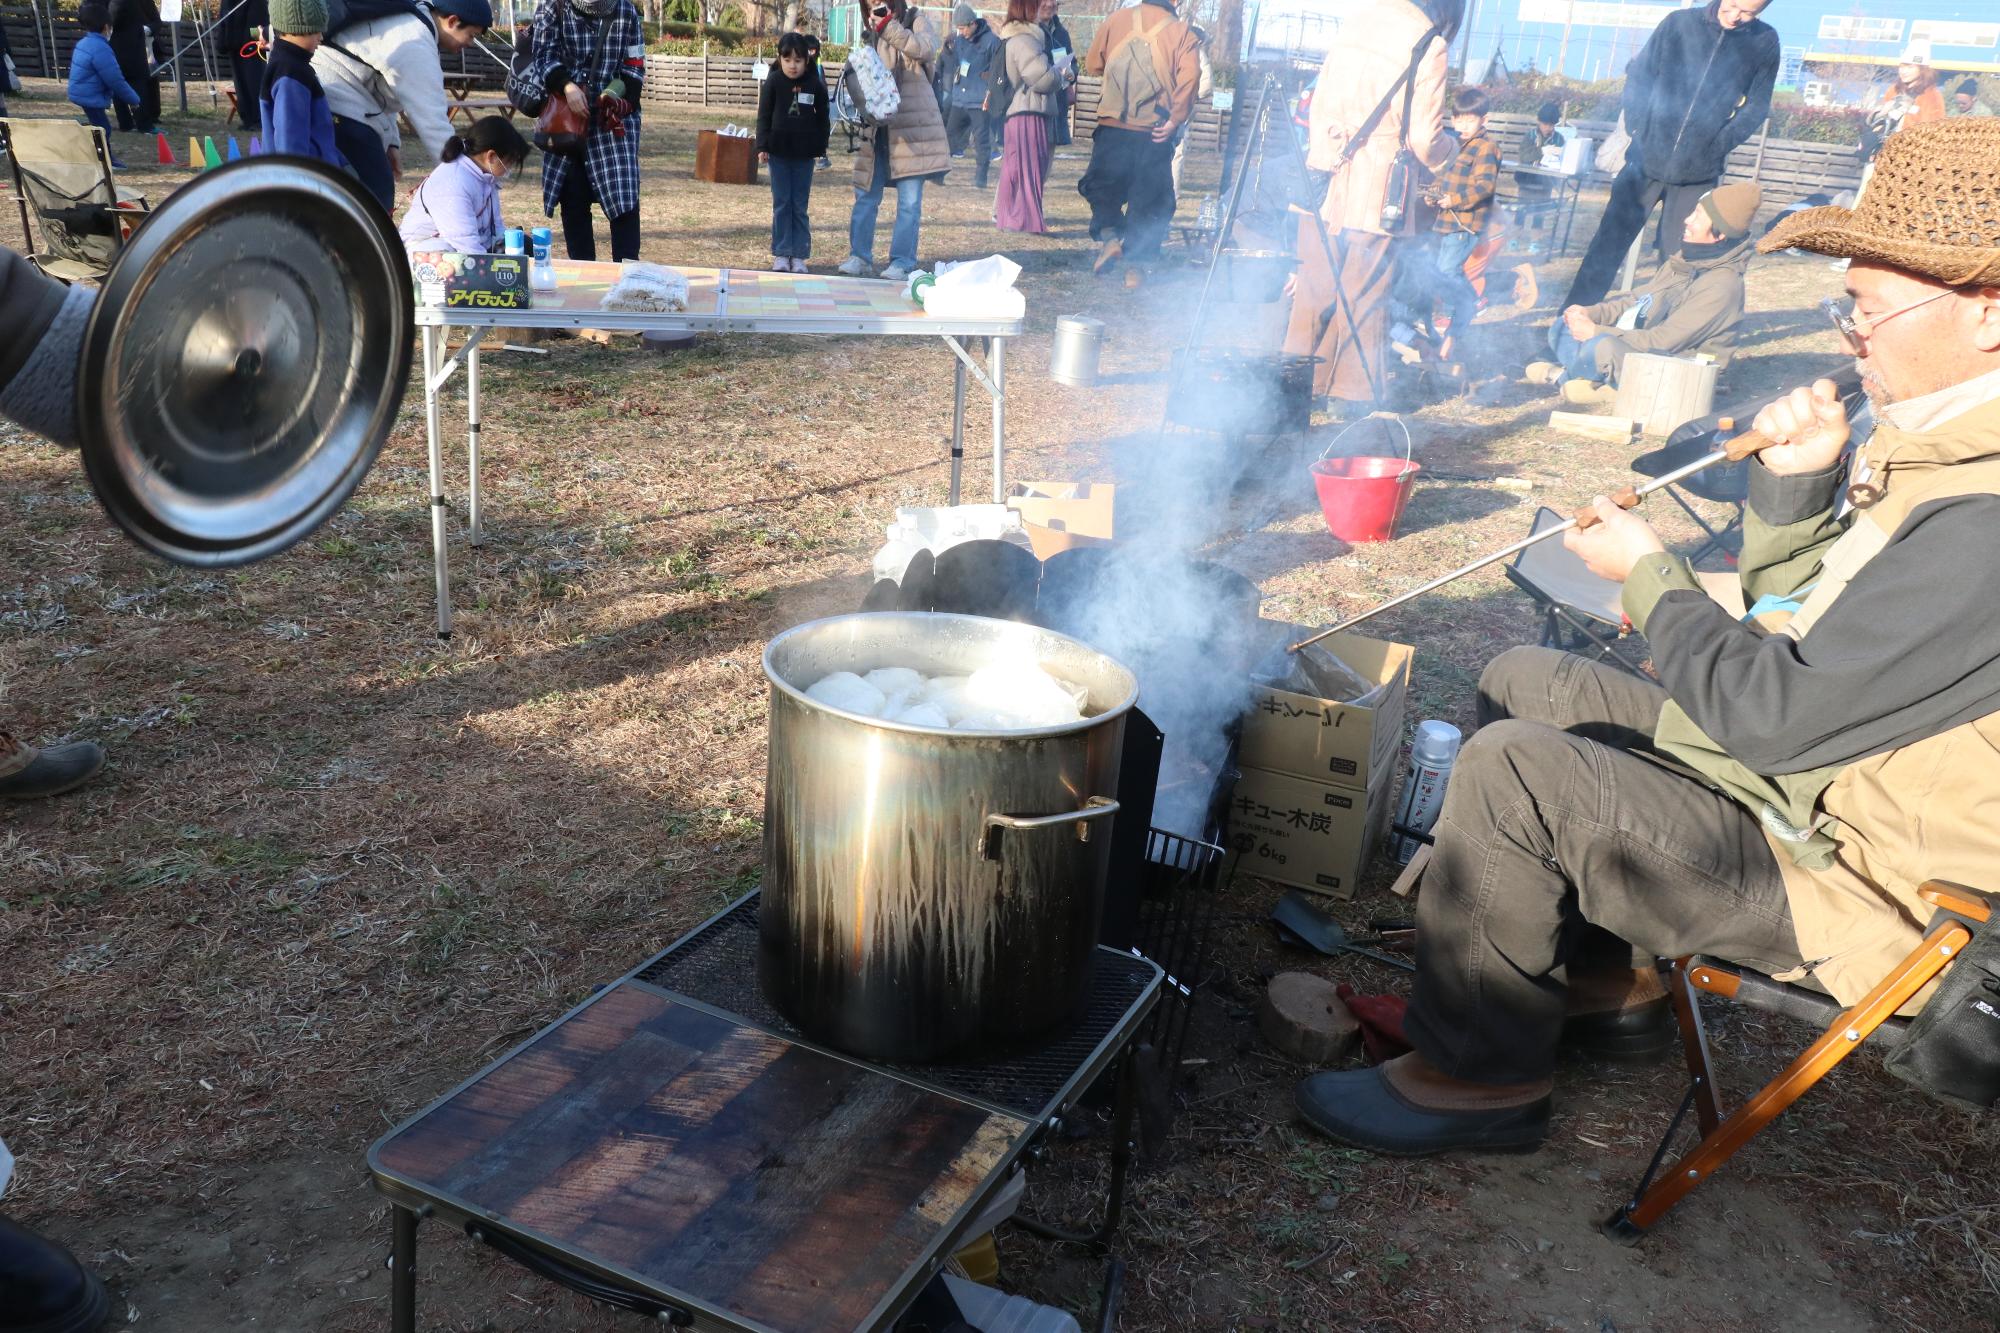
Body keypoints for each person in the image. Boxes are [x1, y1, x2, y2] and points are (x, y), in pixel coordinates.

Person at [1291, 117, 2000, 1158]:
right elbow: (1803, 625)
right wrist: (1800, 483)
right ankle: (1603, 986)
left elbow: (1774, 713)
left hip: (1860, 875)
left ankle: (1476, 1077)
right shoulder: (1943, 446)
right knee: (1526, 677)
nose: (1848, 334)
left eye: (1864, 308)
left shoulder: (1984, 512)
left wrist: (1650, 572)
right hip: (1807, 787)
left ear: (1985, 311)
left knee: (1515, 773)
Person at [1282, 0, 1452, 410]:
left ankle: (1289, 389)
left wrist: (1326, 150)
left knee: (1312, 291)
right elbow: (1424, 139)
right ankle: (1352, 395)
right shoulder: (1428, 42)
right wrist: (1451, 152)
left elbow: (1317, 103)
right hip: (1376, 192)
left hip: (1322, 178)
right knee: (1364, 294)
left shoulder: (1356, 21)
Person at [1560, 0, 1778, 311]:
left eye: (1748, 13)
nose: (1735, 17)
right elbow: (1640, 75)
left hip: (1698, 174)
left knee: (1680, 260)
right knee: (1606, 248)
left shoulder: (1764, 41)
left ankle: (1657, 331)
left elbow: (1757, 106)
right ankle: (1569, 324)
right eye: (1732, 5)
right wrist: (1638, 127)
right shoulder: (1678, 24)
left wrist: (1718, 145)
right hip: (1643, 162)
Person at [1529, 182, 1761, 407]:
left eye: (1698, 216)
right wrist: (1591, 313)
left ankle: (1567, 378)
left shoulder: (1721, 287)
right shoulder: (1687, 258)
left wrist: (1595, 331)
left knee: (1602, 346)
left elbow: (1664, 341)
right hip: (1646, 347)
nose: (1687, 220)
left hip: (1682, 369)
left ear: (1720, 233)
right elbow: (1638, 299)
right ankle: (1597, 380)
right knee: (1562, 327)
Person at [313, 0, 492, 212]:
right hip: (337, 97)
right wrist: (464, 178)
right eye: (471, 35)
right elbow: (434, 124)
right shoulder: (416, 43)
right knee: (374, 191)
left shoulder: (412, 22)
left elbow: (385, 85)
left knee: (372, 188)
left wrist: (392, 142)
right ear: (452, 21)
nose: (471, 43)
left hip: (341, 94)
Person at [1078, 0, 1201, 289]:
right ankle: (1135, 269)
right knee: (1150, 201)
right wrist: (1176, 118)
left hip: (1112, 126)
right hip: (1154, 131)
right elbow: (1192, 76)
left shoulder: (1116, 19)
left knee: (1103, 188)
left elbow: (1093, 64)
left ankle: (1110, 239)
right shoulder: (1182, 32)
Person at [519, 0, 645, 263]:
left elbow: (634, 63)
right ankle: (584, 271)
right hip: (565, 118)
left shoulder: (626, 10)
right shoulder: (553, 6)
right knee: (573, 199)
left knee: (624, 201)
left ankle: (628, 273)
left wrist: (621, 101)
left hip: (612, 121)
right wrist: (566, 86)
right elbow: (543, 55)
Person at [838, 0, 947, 283]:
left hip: (912, 129)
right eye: (870, 5)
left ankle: (902, 262)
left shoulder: (915, 20)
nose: (876, 7)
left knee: (909, 202)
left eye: (880, 2)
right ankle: (859, 256)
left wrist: (889, 26)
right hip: (878, 129)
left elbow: (925, 49)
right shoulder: (869, 35)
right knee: (865, 195)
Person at [1416, 85, 1500, 360]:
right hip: (1446, 224)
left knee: (1445, 272)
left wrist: (1454, 200)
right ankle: (1462, 308)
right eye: (1458, 119)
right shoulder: (1453, 146)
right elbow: (1443, 180)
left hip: (1466, 224)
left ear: (1484, 120)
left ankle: (1468, 304)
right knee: (1436, 272)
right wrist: (1433, 196)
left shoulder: (1486, 148)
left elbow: (1484, 187)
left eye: (1469, 119)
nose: (1462, 125)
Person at [400, 114, 527, 254]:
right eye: (509, 162)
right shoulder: (453, 183)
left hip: (465, 248)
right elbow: (465, 243)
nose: (509, 168)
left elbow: (496, 228)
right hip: (428, 252)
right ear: (491, 157)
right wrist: (491, 263)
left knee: (524, 245)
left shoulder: (486, 177)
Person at [756, 32, 830, 272]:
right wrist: (762, 146)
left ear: (807, 60)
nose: (792, 65)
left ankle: (798, 255)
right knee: (782, 203)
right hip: (778, 153)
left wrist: (820, 146)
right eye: (787, 60)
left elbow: (823, 118)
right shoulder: (774, 82)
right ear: (780, 59)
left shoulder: (815, 84)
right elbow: (764, 116)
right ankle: (781, 253)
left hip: (804, 155)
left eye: (798, 60)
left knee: (799, 205)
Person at [993, 0, 1067, 235]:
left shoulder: (1013, 37)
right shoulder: (1026, 40)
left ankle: (1009, 218)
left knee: (1014, 167)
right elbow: (1042, 78)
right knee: (1029, 168)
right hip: (1028, 110)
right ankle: (1025, 220)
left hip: (1017, 111)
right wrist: (1062, 74)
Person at [261, 0, 344, 169]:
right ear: (296, 30)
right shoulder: (291, 73)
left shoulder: (291, 65)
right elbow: (290, 139)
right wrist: (298, 178)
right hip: (307, 175)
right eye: (316, 31)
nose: (321, 38)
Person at [67, 3, 142, 168]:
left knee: (99, 126)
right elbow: (115, 79)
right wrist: (133, 99)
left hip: (82, 91)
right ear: (106, 27)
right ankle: (104, 160)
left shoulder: (84, 43)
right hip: (90, 94)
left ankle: (99, 156)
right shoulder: (101, 48)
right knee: (103, 129)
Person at [939, 2, 1002, 188]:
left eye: (963, 28)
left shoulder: (992, 41)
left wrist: (989, 85)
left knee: (982, 141)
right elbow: (956, 64)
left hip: (980, 100)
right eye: (958, 28)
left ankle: (981, 179)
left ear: (973, 23)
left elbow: (999, 68)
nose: (961, 32)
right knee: (949, 137)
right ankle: (938, 175)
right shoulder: (959, 41)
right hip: (959, 99)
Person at [1167, 22, 1212, 196]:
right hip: (1179, 107)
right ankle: (1171, 191)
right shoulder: (1196, 53)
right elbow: (1207, 85)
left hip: (1164, 105)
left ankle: (1164, 190)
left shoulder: (1172, 49)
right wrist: (1190, 95)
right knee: (1176, 151)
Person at [107, 0, 160, 134]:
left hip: (134, 44)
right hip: (125, 45)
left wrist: (147, 30)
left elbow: (156, 21)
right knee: (131, 84)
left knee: (132, 84)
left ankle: (134, 122)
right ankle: (136, 123)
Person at [224, 0, 270, 134]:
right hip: (234, 45)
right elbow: (225, 18)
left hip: (251, 48)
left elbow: (257, 21)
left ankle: (257, 119)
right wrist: (225, 41)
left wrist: (256, 41)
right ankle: (247, 119)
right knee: (241, 84)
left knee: (254, 82)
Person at [1040, 0, 1076, 150]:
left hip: (1057, 102)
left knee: (1049, 151)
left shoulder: (1062, 34)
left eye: (1053, 0)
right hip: (1035, 103)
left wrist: (1070, 75)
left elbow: (1072, 64)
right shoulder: (1028, 33)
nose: (1049, 4)